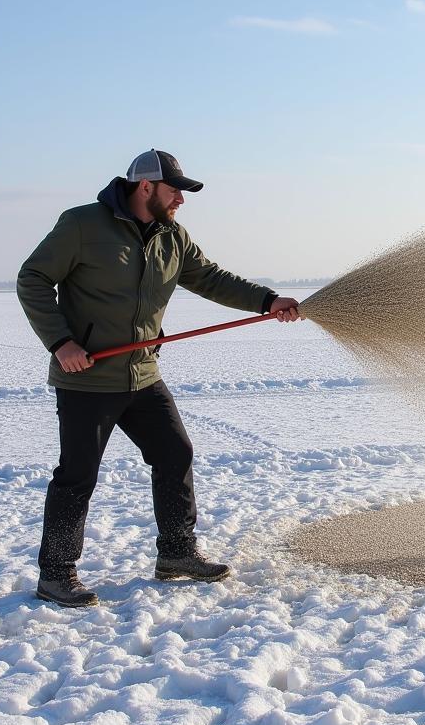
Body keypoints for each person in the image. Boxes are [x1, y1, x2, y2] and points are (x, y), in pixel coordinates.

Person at [17, 149, 300, 607]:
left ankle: (176, 553)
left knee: (175, 453)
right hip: (87, 378)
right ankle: (56, 572)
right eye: (175, 191)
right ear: (145, 186)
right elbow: (32, 278)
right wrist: (61, 343)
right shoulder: (82, 226)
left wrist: (267, 301)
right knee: (78, 474)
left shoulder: (172, 236)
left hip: (142, 373)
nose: (181, 201)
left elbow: (210, 278)